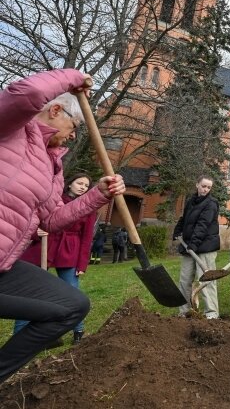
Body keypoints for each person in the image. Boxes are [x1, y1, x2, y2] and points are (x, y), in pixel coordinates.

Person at [0, 68, 125, 384]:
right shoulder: (10, 128)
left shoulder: (51, 165)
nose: (74, 134)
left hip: (4, 266)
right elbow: (27, 95)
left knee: (73, 305)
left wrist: (99, 194)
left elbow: (53, 219)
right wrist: (73, 77)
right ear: (55, 110)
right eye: (74, 126)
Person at [15, 173, 97, 344]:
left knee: (72, 292)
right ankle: (21, 333)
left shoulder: (88, 207)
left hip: (69, 250)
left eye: (86, 185)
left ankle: (78, 330)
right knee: (30, 293)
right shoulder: (53, 199)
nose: (82, 187)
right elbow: (33, 218)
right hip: (45, 245)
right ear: (70, 184)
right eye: (79, 183)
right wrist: (36, 232)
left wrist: (82, 263)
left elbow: (87, 237)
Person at [173, 175, 221, 319]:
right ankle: (184, 311)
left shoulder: (211, 203)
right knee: (184, 280)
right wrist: (177, 229)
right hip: (189, 246)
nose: (205, 189)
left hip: (205, 247)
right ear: (197, 185)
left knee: (205, 280)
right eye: (203, 186)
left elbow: (203, 225)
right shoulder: (191, 201)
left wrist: (193, 244)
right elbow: (185, 218)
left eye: (208, 187)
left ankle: (211, 312)